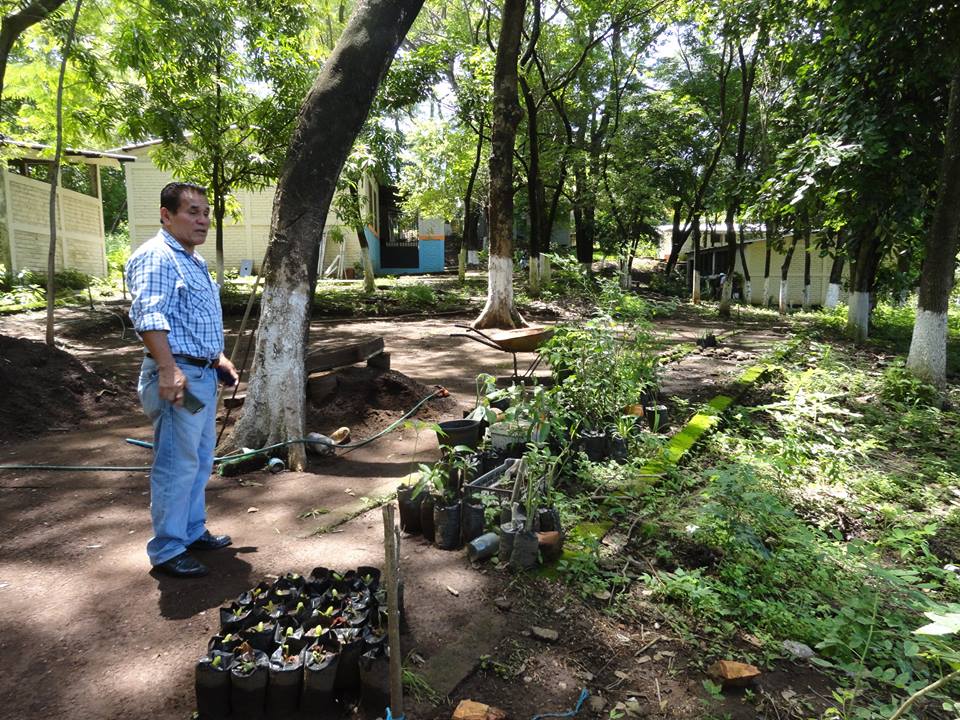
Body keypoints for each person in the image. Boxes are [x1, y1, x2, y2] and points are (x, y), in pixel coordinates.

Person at [127, 182, 239, 578]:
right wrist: (168, 369)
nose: (202, 219)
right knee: (177, 462)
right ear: (165, 214)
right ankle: (168, 547)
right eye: (192, 211)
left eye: (205, 212)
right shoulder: (157, 258)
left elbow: (195, 321)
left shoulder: (193, 260)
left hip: (201, 373)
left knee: (199, 459)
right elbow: (149, 317)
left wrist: (220, 358)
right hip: (179, 376)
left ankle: (191, 531)